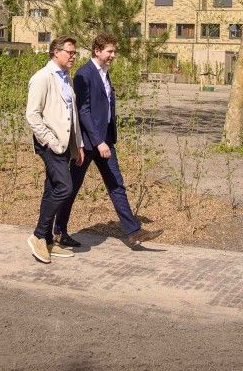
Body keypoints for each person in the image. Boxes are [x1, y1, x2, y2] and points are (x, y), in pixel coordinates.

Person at [55, 33, 160, 250]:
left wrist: (106, 140)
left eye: (114, 51)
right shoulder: (84, 74)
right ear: (97, 51)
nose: (113, 55)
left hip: (105, 140)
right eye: (109, 51)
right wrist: (98, 142)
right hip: (88, 144)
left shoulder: (104, 72)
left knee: (116, 184)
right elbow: (83, 111)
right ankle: (58, 231)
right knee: (72, 187)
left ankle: (133, 232)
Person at [25, 37, 84, 264]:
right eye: (69, 52)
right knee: (65, 187)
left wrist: (78, 144)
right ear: (55, 52)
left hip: (65, 144)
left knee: (52, 189)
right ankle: (38, 235)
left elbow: (72, 115)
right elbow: (32, 115)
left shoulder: (66, 78)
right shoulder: (42, 78)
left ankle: (48, 240)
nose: (73, 56)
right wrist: (49, 140)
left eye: (74, 52)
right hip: (50, 144)